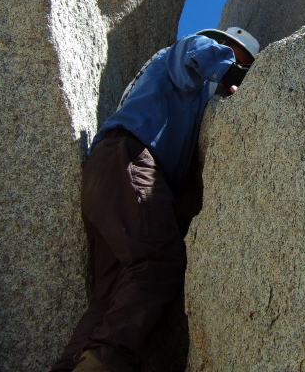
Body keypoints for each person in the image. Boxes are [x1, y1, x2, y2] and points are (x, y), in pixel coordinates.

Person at [49, 27, 260, 372]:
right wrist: (239, 76)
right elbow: (204, 53)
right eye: (238, 59)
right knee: (158, 261)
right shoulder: (194, 50)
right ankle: (105, 362)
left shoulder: (167, 80)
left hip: (110, 172)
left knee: (111, 293)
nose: (231, 73)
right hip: (131, 159)